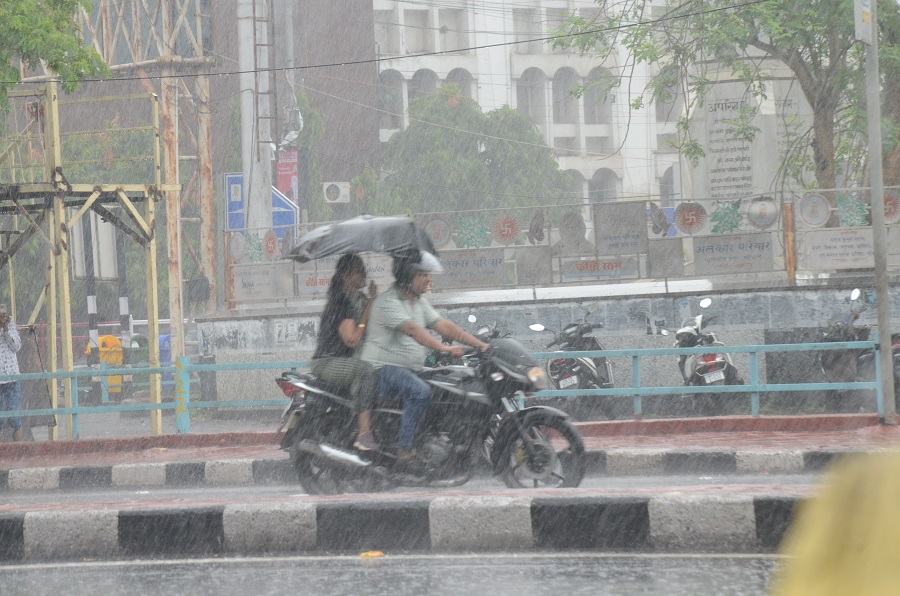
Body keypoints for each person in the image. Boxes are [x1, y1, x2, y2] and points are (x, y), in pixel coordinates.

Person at [358, 249, 490, 469]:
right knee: (420, 392)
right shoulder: (388, 302)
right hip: (382, 369)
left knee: (447, 386)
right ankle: (405, 451)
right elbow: (412, 330)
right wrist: (443, 348)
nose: (429, 279)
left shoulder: (418, 302)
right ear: (407, 277)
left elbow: (444, 326)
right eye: (423, 275)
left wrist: (480, 344)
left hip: (409, 369)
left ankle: (431, 440)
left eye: (429, 274)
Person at [310, 254, 380, 451]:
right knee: (365, 371)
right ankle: (364, 433)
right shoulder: (340, 302)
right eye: (360, 270)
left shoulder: (359, 299)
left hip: (347, 359)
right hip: (328, 361)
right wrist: (370, 305)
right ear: (347, 276)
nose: (365, 274)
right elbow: (352, 339)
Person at [0, 306, 23, 442]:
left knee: (15, 416)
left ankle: (19, 452)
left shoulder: (10, 322)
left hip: (11, 375)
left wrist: (6, 329)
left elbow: (16, 347)